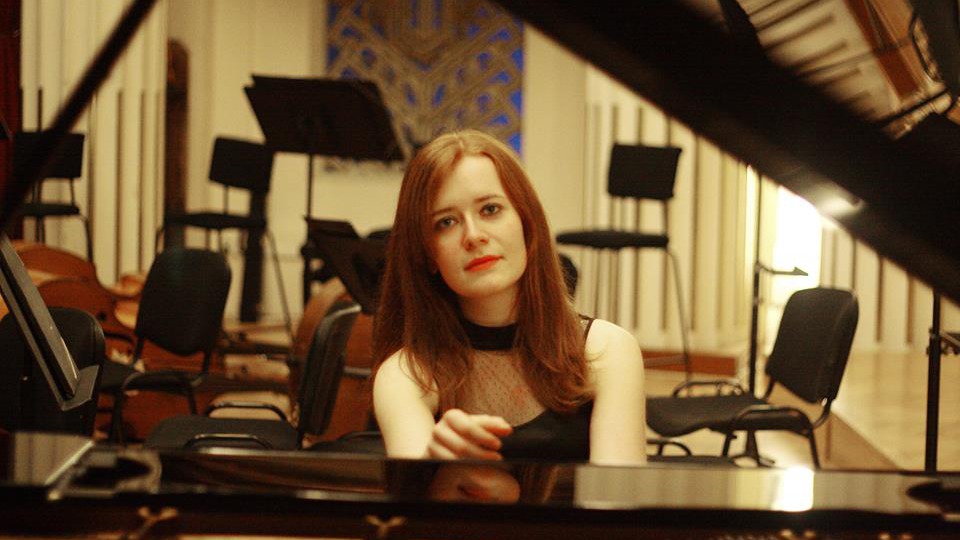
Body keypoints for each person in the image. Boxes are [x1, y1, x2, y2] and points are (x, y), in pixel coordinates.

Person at [372, 129, 647, 465]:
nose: (473, 236)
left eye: (490, 209)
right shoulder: (405, 374)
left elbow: (617, 492)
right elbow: (416, 494)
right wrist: (438, 473)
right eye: (446, 222)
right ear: (427, 253)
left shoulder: (607, 349)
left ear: (526, 224)